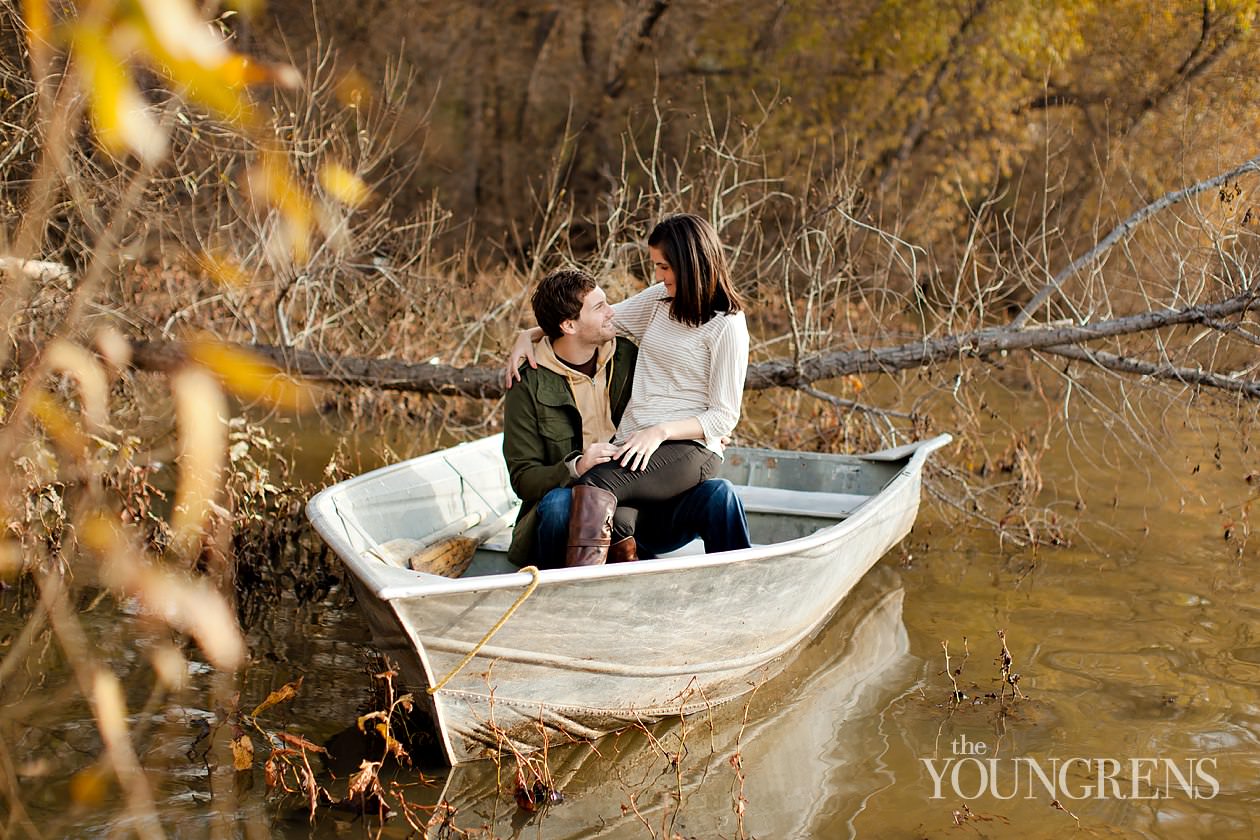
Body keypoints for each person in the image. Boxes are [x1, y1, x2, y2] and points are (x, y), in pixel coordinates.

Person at [508, 214, 750, 566]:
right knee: (616, 518)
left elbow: (725, 416)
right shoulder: (659, 302)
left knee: (591, 487)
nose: (657, 275)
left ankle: (569, 591)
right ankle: (619, 580)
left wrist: (660, 431)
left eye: (664, 266)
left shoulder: (726, 325)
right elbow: (595, 323)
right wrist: (527, 334)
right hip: (639, 446)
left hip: (685, 447)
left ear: (691, 264)